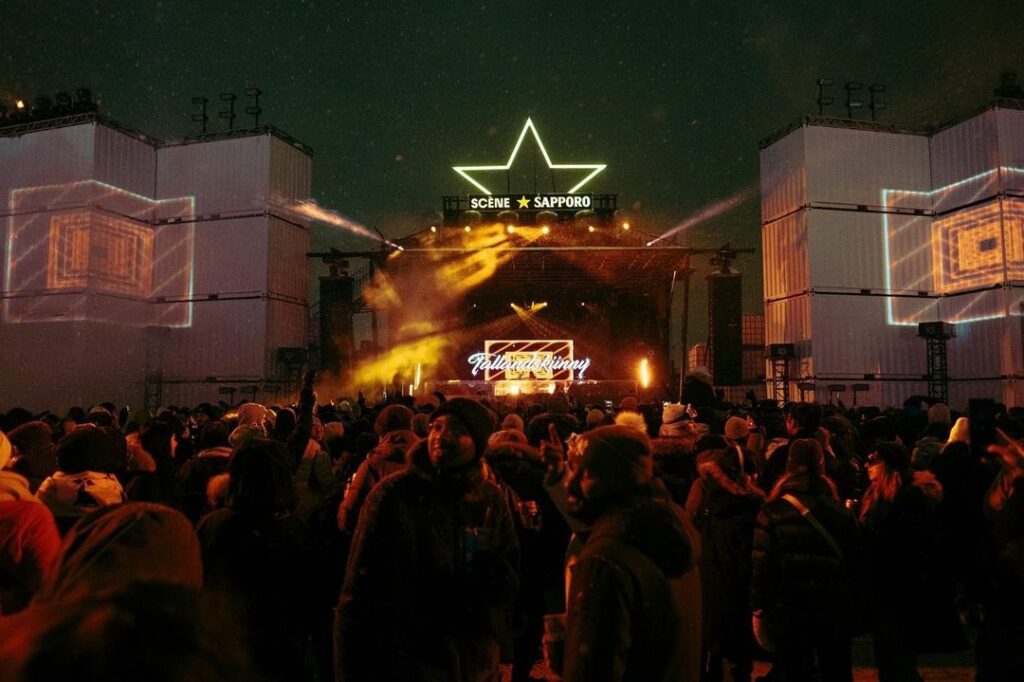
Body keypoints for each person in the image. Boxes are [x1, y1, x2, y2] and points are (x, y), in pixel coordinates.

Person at [335, 397, 519, 681]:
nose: (441, 436)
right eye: (436, 427)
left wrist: (491, 583)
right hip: (406, 661)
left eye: (456, 429)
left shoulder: (488, 498)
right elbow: (357, 594)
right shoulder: (394, 495)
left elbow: (509, 569)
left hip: (474, 662)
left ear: (478, 442)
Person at [560, 425, 702, 682]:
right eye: (572, 469)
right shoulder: (668, 523)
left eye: (586, 472)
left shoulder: (606, 558)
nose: (571, 482)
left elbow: (594, 671)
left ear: (614, 478)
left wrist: (575, 655)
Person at [750, 439, 862, 682]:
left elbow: (762, 566)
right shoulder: (840, 511)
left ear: (789, 467)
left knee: (793, 670)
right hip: (832, 608)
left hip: (790, 609)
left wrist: (759, 606)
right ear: (822, 466)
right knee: (835, 669)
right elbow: (855, 563)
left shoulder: (773, 511)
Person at [859, 442, 965, 682]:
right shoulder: (880, 493)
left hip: (899, 586)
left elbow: (906, 543)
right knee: (892, 654)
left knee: (895, 653)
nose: (867, 465)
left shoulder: (907, 498)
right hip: (888, 585)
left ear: (888, 465)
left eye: (873, 460)